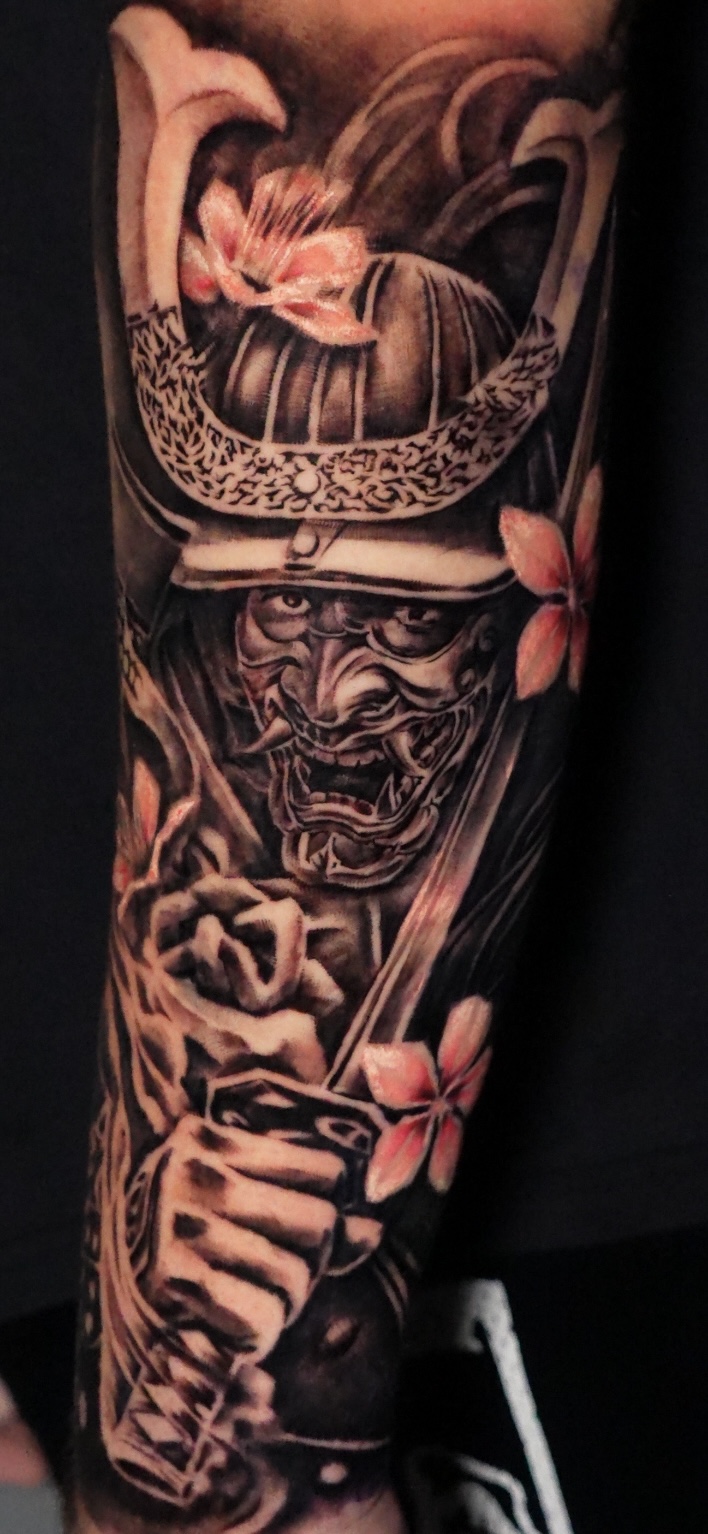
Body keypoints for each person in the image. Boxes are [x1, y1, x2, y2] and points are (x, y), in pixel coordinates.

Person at [68, 4, 632, 1531]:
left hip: (568, 1235)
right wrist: (156, 1246)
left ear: (507, 609)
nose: (329, 700)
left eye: (398, 626)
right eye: (281, 624)